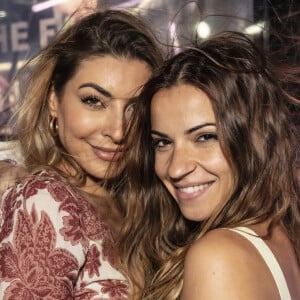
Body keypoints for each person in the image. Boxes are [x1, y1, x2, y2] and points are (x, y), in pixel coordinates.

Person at [116, 31, 300, 299]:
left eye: (204, 137)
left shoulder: (219, 255)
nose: (176, 169)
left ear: (252, 140)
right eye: (162, 143)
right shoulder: (279, 234)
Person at [0, 9, 163, 299]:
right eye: (94, 101)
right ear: (53, 100)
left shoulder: (139, 200)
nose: (119, 131)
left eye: (135, 108)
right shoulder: (46, 201)